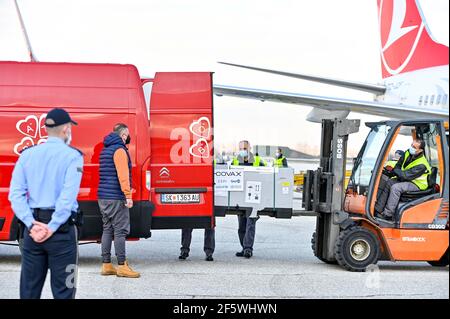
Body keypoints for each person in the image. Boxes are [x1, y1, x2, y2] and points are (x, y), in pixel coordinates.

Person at [8, 108, 83, 299]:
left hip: (33, 232)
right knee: (65, 291)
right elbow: (66, 199)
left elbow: (15, 195)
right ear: (66, 129)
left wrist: (31, 224)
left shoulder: (27, 155)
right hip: (63, 233)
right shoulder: (73, 156)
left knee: (29, 292)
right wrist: (52, 227)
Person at [98, 123, 140, 278]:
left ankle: (107, 264)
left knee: (107, 229)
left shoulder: (105, 149)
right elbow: (123, 175)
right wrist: (128, 196)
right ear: (123, 135)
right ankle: (122, 266)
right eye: (127, 135)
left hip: (103, 196)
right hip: (116, 197)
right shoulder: (120, 150)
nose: (127, 138)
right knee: (120, 230)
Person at [376, 139, 431, 220]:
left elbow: (405, 176)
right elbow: (398, 165)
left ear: (420, 150)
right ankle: (378, 209)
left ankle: (388, 214)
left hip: (417, 184)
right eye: (412, 145)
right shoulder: (408, 152)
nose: (411, 148)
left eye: (414, 147)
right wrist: (394, 171)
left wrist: (395, 171)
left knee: (396, 188)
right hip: (409, 179)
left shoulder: (421, 164)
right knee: (390, 182)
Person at [232, 140, 266, 258]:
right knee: (241, 226)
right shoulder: (235, 160)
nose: (243, 150)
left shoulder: (257, 161)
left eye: (245, 148)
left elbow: (266, 176)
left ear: (249, 148)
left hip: (253, 198)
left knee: (250, 224)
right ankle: (244, 247)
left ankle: (248, 249)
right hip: (240, 198)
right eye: (241, 148)